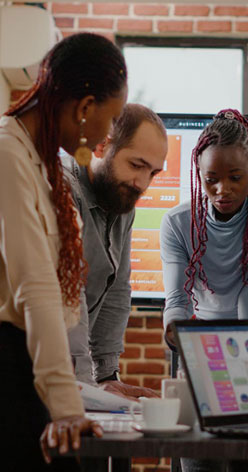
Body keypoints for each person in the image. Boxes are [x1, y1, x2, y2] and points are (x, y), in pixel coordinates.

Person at [0, 33, 128, 471]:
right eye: (111, 119)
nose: (110, 132)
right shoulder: (5, 156)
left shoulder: (37, 158)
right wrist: (67, 408)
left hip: (8, 364)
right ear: (85, 107)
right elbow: (36, 289)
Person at [160, 109, 248, 472]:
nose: (223, 190)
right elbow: (177, 299)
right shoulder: (178, 223)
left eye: (236, 177)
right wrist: (177, 331)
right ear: (198, 176)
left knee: (245, 461)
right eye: (211, 179)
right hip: (201, 339)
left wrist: (239, 367)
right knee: (198, 462)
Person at [65, 103, 167, 399]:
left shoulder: (121, 201)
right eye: (136, 165)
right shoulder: (62, 189)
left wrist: (107, 375)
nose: (143, 184)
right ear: (100, 145)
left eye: (153, 172)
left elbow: (117, 289)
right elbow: (68, 294)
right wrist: (84, 387)